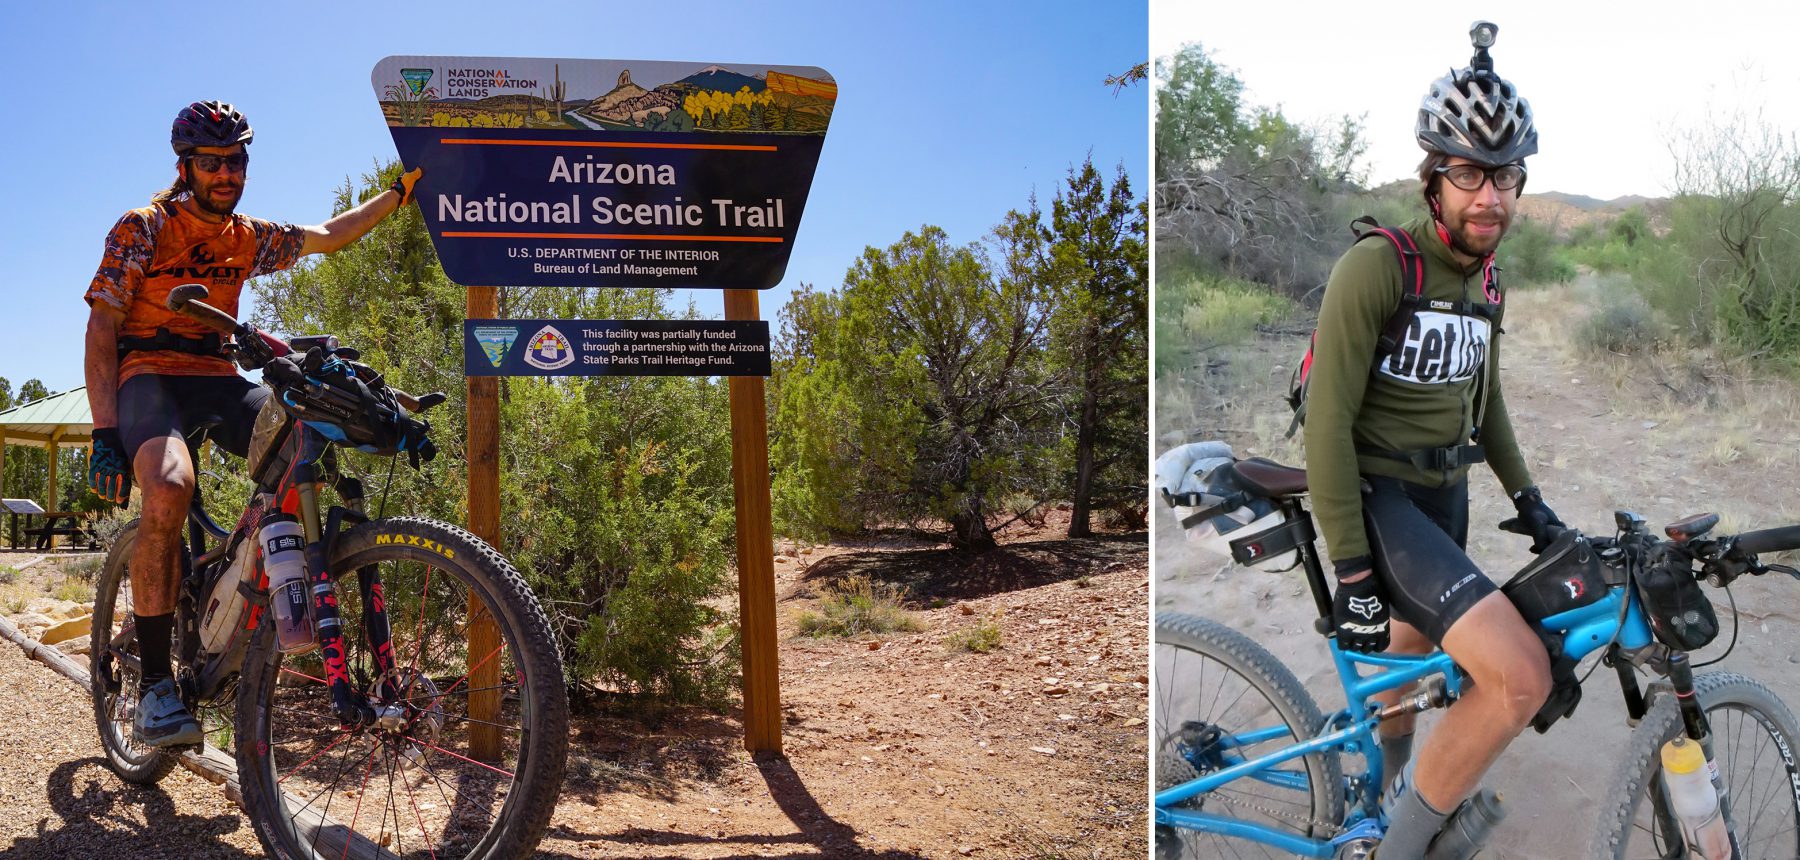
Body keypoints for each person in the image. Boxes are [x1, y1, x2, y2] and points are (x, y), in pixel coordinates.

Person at [82, 100, 422, 748]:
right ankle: (156, 685)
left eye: (235, 160)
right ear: (185, 167)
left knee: (304, 432)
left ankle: (242, 594)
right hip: (147, 376)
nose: (226, 173)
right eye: (211, 163)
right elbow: (102, 322)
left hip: (214, 376)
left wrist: (396, 197)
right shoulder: (146, 227)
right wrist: (104, 431)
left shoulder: (247, 236)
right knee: (172, 484)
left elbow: (328, 234)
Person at [1300, 24, 1564, 857]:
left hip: (1444, 496)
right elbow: (1328, 426)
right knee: (1520, 676)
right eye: (1470, 174)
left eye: (1507, 175)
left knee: (1407, 672)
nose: (1490, 197)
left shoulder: (1486, 279)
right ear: (1435, 177)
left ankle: (1379, 788)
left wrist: (1531, 501)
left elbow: (1488, 406)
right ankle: (1404, 844)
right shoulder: (1379, 267)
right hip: (1376, 496)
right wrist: (1350, 568)